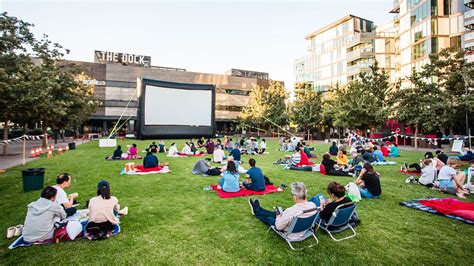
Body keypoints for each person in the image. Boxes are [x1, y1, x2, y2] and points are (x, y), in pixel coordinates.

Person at [248, 182, 317, 239]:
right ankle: (258, 209)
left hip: (290, 231)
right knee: (275, 213)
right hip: (303, 228)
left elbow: (278, 226)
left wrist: (278, 216)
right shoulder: (313, 205)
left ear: (295, 197)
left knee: (270, 218)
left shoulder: (291, 211)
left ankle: (256, 212)